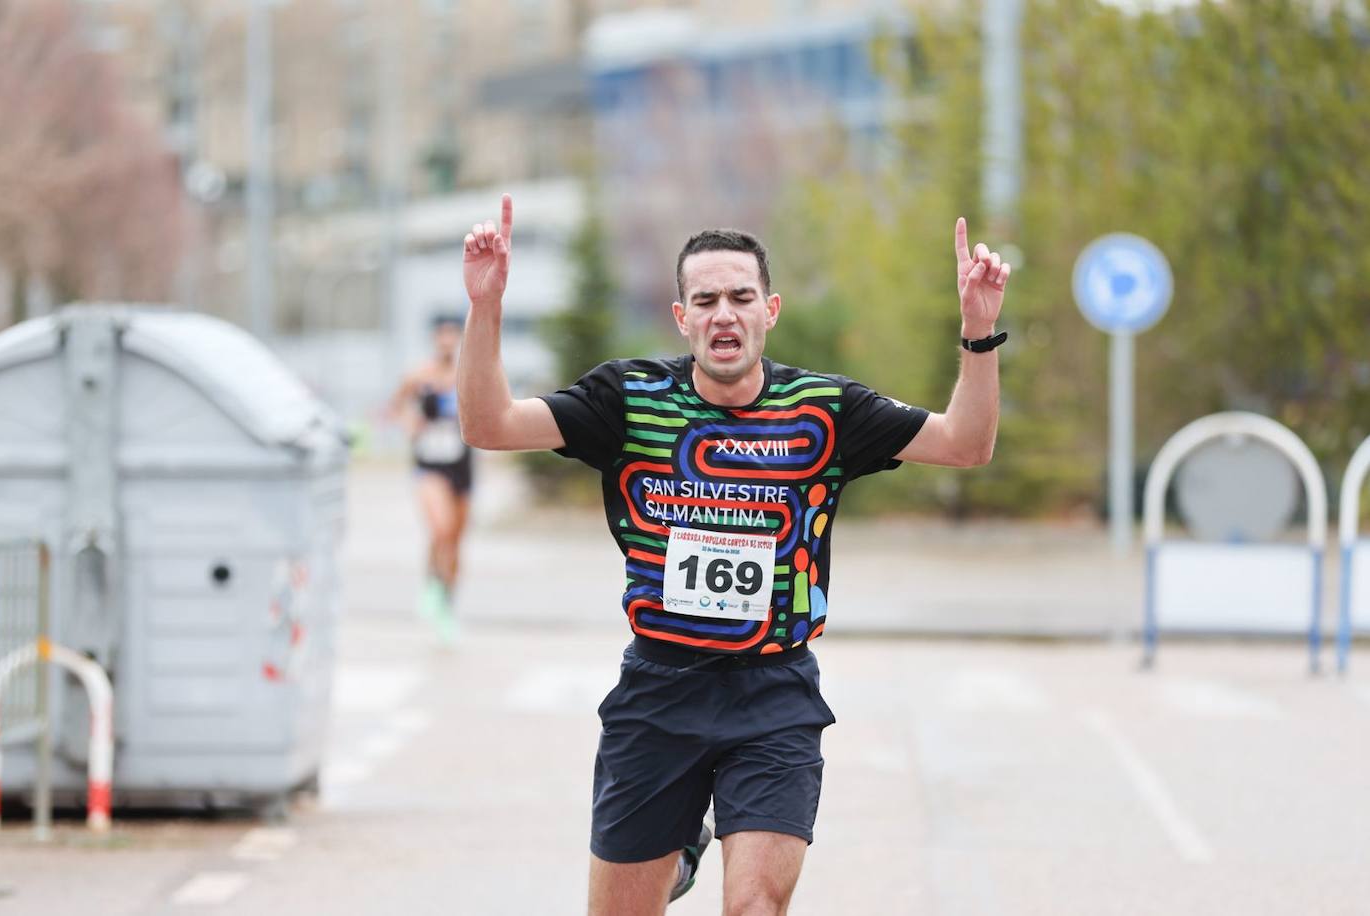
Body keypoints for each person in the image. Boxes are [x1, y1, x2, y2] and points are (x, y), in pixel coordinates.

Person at [456, 195, 1010, 915]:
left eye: (741, 297)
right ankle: (681, 836)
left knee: (754, 907)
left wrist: (978, 332)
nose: (725, 313)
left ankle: (701, 830)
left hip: (773, 694)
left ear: (769, 310)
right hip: (658, 692)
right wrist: (486, 307)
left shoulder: (823, 409)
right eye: (706, 299)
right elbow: (490, 424)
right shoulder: (629, 398)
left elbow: (966, 443)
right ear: (682, 317)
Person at [387, 313, 474, 643]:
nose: (447, 341)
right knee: (440, 528)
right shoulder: (418, 375)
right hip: (429, 464)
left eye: (453, 335)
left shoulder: (466, 375)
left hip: (461, 464)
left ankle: (447, 604)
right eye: (442, 335)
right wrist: (409, 422)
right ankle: (432, 588)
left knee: (453, 539)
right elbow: (396, 406)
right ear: (434, 339)